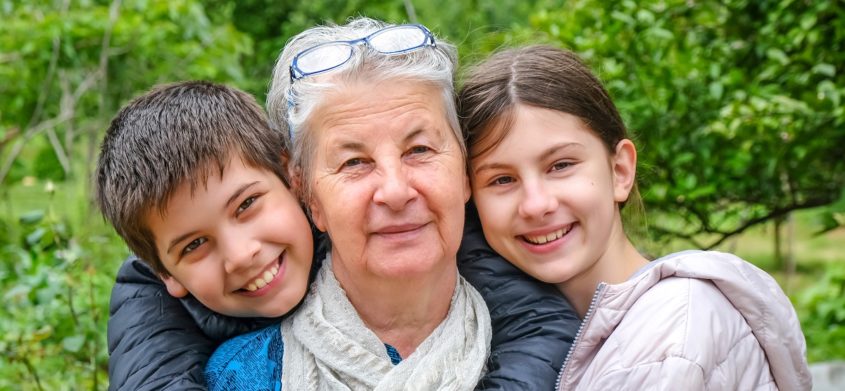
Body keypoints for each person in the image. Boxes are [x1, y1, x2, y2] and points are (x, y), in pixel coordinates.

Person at [103, 21, 578, 391]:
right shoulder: (239, 375)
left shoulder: (578, 348)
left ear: (465, 168)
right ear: (305, 191)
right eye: (353, 162)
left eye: (420, 151)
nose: (395, 191)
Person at [458, 44, 813, 390]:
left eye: (561, 165)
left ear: (620, 171)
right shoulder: (496, 336)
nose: (536, 204)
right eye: (502, 180)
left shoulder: (669, 337)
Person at [96, 81, 317, 388]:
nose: (240, 255)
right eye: (195, 244)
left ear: (290, 175)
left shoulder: (348, 212)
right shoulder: (148, 304)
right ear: (165, 275)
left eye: (246, 204)